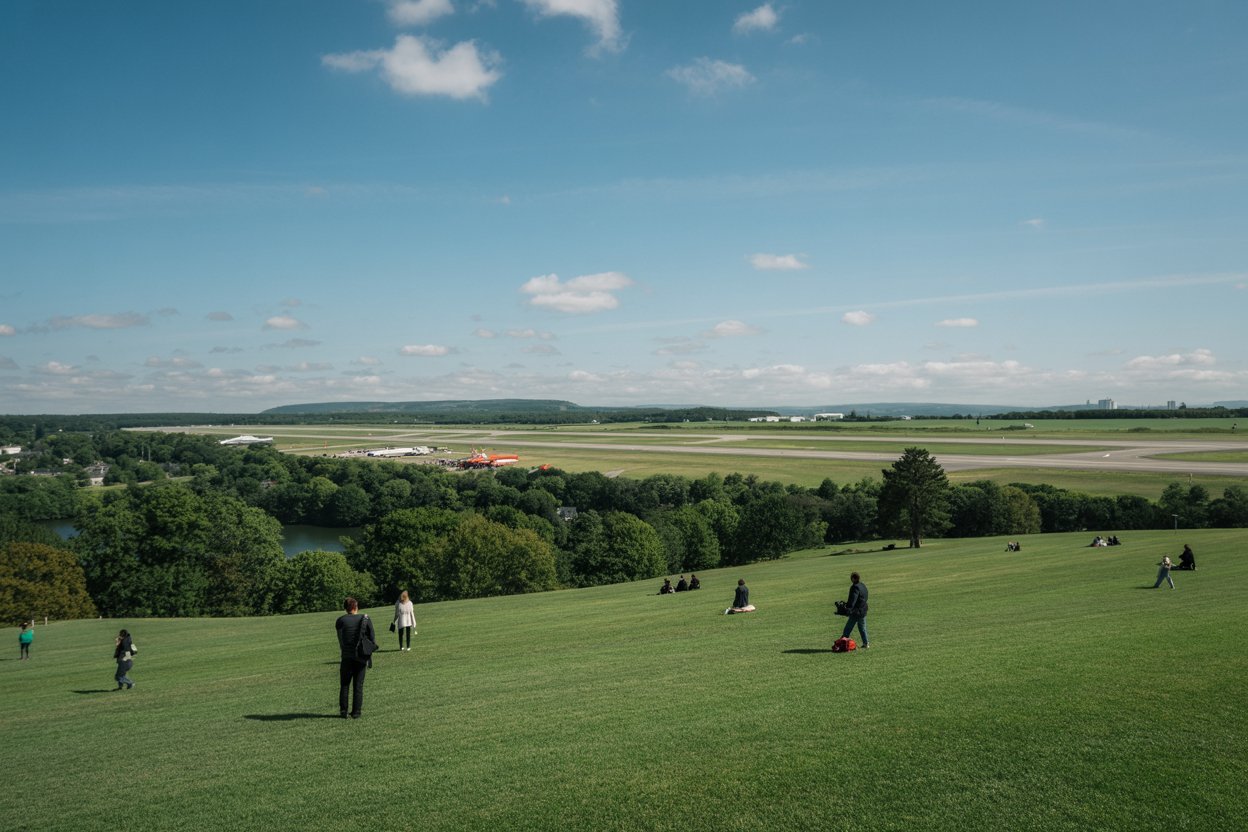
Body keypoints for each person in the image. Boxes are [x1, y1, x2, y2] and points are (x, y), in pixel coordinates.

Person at [336, 597, 376, 719]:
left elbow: (340, 640)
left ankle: (343, 711)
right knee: (358, 685)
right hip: (361, 656)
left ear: (345, 608)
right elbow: (372, 638)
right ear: (356, 607)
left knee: (344, 684)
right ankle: (356, 712)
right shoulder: (365, 619)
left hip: (347, 656)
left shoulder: (340, 621)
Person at [841, 572, 870, 649]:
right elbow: (866, 596)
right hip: (863, 610)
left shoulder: (855, 587)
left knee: (848, 627)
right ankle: (866, 643)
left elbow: (852, 600)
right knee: (862, 628)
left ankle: (842, 642)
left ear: (853, 578)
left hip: (856, 611)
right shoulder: (862, 585)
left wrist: (848, 609)